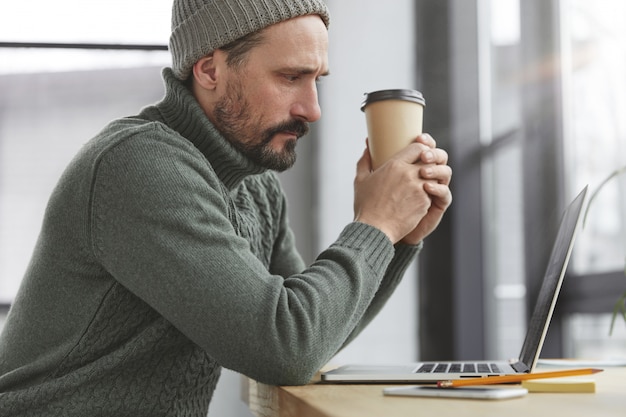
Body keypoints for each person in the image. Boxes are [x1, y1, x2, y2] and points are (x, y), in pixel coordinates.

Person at [0, 0, 452, 416]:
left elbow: (313, 338)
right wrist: (374, 225)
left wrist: (398, 236)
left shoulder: (255, 189)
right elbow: (286, 346)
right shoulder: (140, 165)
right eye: (291, 77)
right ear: (210, 70)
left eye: (317, 80)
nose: (313, 109)